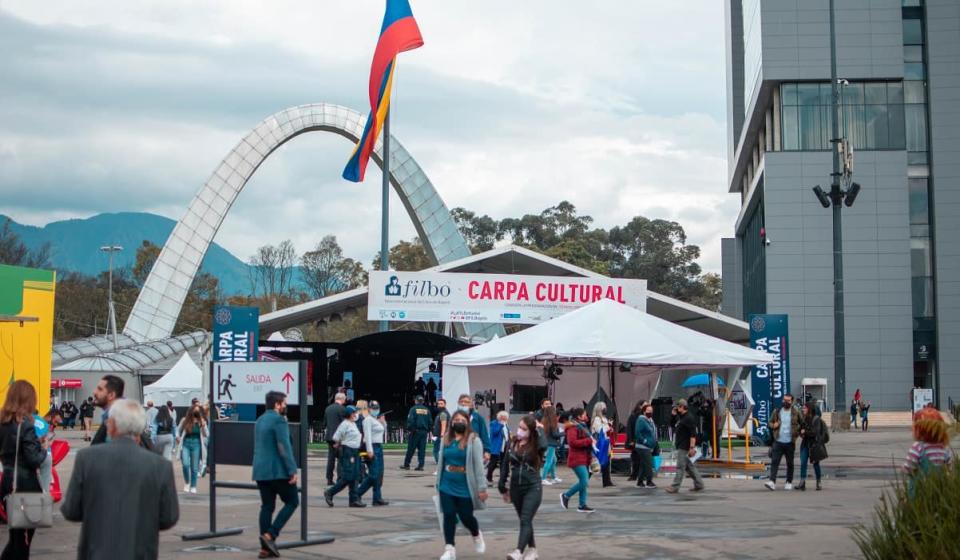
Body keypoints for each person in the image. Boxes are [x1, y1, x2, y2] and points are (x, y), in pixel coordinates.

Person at [61, 399, 179, 560]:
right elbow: (168, 517)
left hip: (96, 552)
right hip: (141, 552)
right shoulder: (161, 466)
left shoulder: (86, 458)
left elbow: (71, 510)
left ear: (112, 426)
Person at [1, 380, 48, 559]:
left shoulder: (2, 421)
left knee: (16, 537)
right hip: (26, 486)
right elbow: (33, 460)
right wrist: (43, 449)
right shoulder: (26, 424)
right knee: (23, 541)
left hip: (8, 483)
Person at [252, 391, 299, 558]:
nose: (286, 406)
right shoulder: (279, 420)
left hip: (260, 471)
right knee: (292, 501)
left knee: (267, 506)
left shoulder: (260, 420)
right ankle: (270, 535)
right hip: (277, 471)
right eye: (284, 403)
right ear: (277, 404)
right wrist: (292, 470)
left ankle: (265, 549)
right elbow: (284, 446)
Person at [435, 410, 487, 560]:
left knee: (466, 517)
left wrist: (482, 488)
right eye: (456, 419)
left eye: (462, 420)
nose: (459, 422)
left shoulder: (474, 440)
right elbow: (441, 463)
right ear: (451, 422)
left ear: (467, 423)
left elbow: (478, 466)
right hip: (446, 483)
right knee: (449, 515)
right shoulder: (447, 439)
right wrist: (438, 483)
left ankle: (476, 534)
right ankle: (449, 548)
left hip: (466, 485)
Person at [499, 415, 545, 560]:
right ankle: (532, 550)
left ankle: (518, 551)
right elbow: (505, 464)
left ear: (531, 431)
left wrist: (540, 430)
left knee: (525, 518)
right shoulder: (512, 443)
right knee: (525, 520)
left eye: (524, 429)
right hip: (515, 487)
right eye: (519, 427)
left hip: (533, 486)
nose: (520, 431)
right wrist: (502, 485)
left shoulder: (536, 443)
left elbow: (544, 446)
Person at [325, 405, 365, 507]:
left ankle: (353, 500)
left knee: (356, 476)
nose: (356, 414)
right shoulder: (345, 424)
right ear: (350, 414)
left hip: (355, 451)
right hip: (348, 451)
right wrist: (340, 442)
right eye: (354, 412)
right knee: (348, 477)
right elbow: (336, 437)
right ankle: (330, 492)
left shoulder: (353, 424)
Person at [560, 407, 595, 513]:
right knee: (584, 481)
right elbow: (572, 442)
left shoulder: (582, 426)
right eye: (584, 414)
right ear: (579, 417)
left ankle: (582, 504)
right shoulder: (573, 428)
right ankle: (566, 495)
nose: (586, 416)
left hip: (584, 457)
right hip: (577, 458)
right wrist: (589, 440)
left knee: (583, 481)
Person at [902, 407, 953, 479]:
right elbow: (950, 468)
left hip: (920, 486)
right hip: (940, 486)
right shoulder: (944, 448)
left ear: (918, 430)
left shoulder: (917, 447)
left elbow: (908, 468)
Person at [666, 399, 705, 494]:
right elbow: (672, 425)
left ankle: (675, 487)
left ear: (683, 407)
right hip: (682, 445)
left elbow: (693, 434)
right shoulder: (682, 417)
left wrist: (692, 448)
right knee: (690, 467)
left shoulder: (688, 418)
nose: (676, 408)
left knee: (680, 467)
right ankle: (699, 484)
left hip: (685, 447)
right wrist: (673, 415)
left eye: (678, 406)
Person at [764, 394, 801, 491]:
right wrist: (774, 425)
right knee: (774, 462)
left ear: (791, 402)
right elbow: (769, 422)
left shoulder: (796, 412)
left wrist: (798, 432)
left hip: (790, 442)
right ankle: (772, 481)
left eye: (788, 401)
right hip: (778, 441)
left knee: (790, 463)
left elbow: (802, 423)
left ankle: (789, 482)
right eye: (784, 400)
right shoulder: (777, 411)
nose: (785, 402)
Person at [356, 400, 389, 506]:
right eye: (373, 408)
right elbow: (368, 436)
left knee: (379, 474)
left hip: (378, 446)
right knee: (373, 475)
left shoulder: (375, 420)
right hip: (372, 446)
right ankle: (356, 494)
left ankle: (377, 497)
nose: (375, 410)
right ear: (369, 409)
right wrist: (370, 450)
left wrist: (383, 422)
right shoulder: (368, 420)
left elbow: (383, 431)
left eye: (377, 408)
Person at [176, 405, 208, 494]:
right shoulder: (184, 420)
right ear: (191, 411)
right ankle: (187, 482)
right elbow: (177, 430)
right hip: (186, 443)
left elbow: (206, 434)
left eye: (198, 411)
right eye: (195, 410)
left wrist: (203, 426)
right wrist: (177, 437)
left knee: (194, 467)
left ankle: (193, 486)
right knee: (185, 464)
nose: (196, 412)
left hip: (196, 444)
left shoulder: (201, 421)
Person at [797, 402, 829, 491]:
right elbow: (800, 430)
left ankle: (818, 482)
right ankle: (802, 482)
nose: (803, 410)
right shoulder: (804, 418)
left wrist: (805, 432)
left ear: (809, 409)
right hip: (805, 444)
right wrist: (801, 433)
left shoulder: (816, 419)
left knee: (816, 464)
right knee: (803, 463)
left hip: (814, 445)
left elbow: (815, 432)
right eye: (803, 408)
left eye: (805, 408)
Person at [402, 395, 432, 471]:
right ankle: (421, 465)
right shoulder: (427, 410)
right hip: (424, 432)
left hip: (415, 431)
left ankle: (406, 464)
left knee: (411, 448)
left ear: (416, 401)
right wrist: (427, 430)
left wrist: (411, 429)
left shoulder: (413, 409)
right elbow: (430, 422)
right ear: (422, 401)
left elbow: (410, 420)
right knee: (422, 449)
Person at [458, 394, 491, 461]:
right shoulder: (454, 417)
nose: (463, 404)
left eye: (466, 402)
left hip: (474, 448)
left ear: (471, 404)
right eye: (461, 402)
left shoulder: (478, 418)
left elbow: (484, 434)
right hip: (458, 448)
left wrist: (487, 450)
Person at [324, 392, 347, 485]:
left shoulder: (328, 408)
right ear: (342, 399)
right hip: (339, 438)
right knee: (341, 459)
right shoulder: (342, 409)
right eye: (344, 399)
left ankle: (329, 479)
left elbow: (324, 423)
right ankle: (340, 478)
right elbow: (345, 424)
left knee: (331, 459)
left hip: (329, 437)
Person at [590, 402, 615, 487]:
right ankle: (585, 479)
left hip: (605, 443)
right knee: (597, 462)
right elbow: (600, 430)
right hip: (599, 444)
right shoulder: (597, 419)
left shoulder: (604, 418)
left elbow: (606, 430)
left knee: (606, 462)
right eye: (603, 407)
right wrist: (609, 426)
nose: (605, 409)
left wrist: (610, 428)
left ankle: (607, 481)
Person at [634, 403, 658, 488]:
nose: (650, 412)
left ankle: (640, 482)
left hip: (649, 446)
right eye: (648, 411)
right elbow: (637, 433)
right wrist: (645, 441)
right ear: (644, 411)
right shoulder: (641, 420)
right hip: (643, 446)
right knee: (648, 463)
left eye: (651, 411)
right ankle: (649, 481)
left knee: (644, 464)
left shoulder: (650, 420)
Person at [539, 406, 562, 485]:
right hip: (551, 444)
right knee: (549, 461)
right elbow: (555, 434)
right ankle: (543, 478)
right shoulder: (552, 422)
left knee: (553, 460)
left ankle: (553, 477)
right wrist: (564, 433)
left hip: (548, 443)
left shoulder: (544, 420)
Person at [487, 410, 510, 483]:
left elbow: (506, 433)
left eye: (506, 417)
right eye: (503, 417)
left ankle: (503, 478)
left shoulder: (505, 424)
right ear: (500, 417)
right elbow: (495, 432)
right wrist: (501, 425)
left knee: (504, 463)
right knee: (493, 463)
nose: (505, 419)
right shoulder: (494, 423)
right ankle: (489, 476)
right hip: (496, 446)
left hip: (504, 446)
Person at [624, 401, 644, 481]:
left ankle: (641, 475)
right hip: (635, 440)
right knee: (636, 458)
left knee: (642, 458)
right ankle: (634, 475)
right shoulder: (633, 416)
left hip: (643, 440)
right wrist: (631, 440)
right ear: (639, 406)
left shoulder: (645, 416)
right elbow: (629, 429)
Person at [432, 398, 449, 465]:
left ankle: (440, 463)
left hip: (440, 435)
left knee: (435, 451)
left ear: (445, 404)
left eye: (441, 404)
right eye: (438, 404)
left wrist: (442, 435)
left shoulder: (443, 414)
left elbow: (443, 425)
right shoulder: (441, 413)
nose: (439, 405)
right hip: (438, 435)